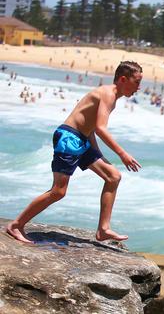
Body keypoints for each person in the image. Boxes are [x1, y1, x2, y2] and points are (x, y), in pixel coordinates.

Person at [5, 61, 143, 244]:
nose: (139, 88)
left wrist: (98, 154)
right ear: (123, 79)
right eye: (137, 82)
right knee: (58, 191)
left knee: (113, 176)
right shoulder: (108, 94)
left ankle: (103, 229)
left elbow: (92, 128)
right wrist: (122, 154)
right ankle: (16, 225)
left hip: (82, 140)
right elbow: (101, 128)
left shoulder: (111, 96)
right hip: (69, 138)